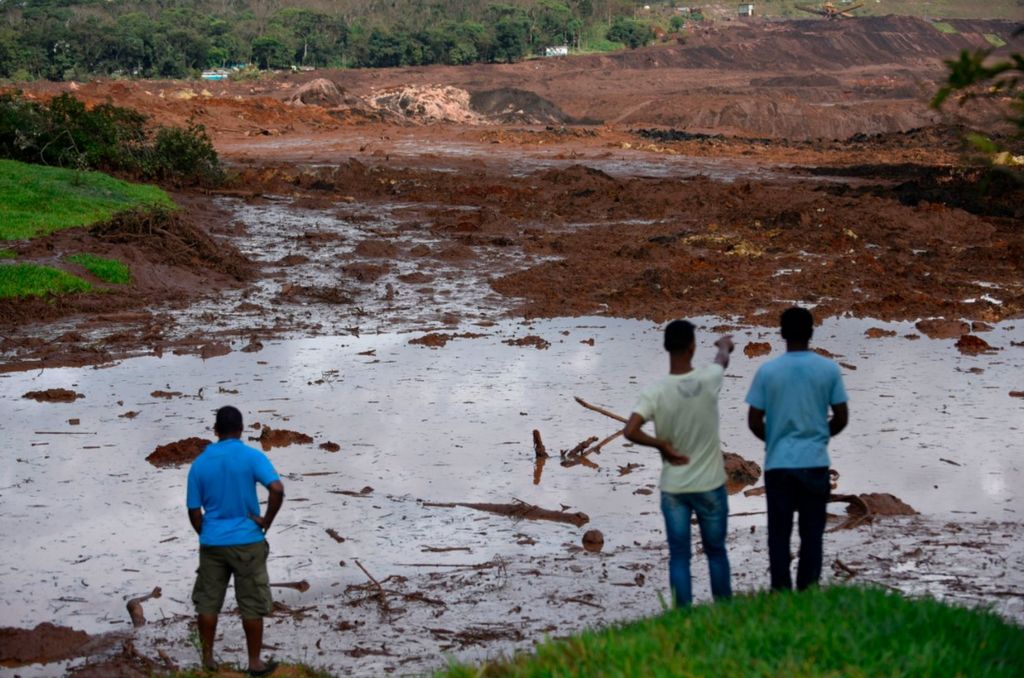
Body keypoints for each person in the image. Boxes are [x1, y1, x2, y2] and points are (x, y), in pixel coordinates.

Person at [623, 320, 735, 607]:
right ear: (692, 347)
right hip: (710, 485)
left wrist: (661, 445)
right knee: (716, 552)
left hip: (674, 488)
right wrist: (724, 344)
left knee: (679, 556)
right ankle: (725, 612)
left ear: (665, 347)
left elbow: (630, 430)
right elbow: (721, 359)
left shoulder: (656, 392)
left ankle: (682, 617)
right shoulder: (709, 378)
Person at [746, 306, 848, 592]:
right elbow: (841, 418)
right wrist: (818, 437)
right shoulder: (828, 369)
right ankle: (808, 590)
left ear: (781, 334)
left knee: (778, 533)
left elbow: (754, 421)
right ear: (812, 333)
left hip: (778, 465)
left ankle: (780, 591)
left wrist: (775, 439)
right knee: (812, 533)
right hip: (814, 463)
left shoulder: (768, 371)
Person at [187, 406, 285, 676]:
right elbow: (276, 489)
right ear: (241, 430)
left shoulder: (200, 464)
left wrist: (205, 533)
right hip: (248, 542)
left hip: (212, 542)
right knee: (251, 603)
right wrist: (266, 521)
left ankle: (207, 660)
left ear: (215, 431)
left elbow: (194, 511)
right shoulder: (251, 456)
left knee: (207, 603)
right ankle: (254, 662)